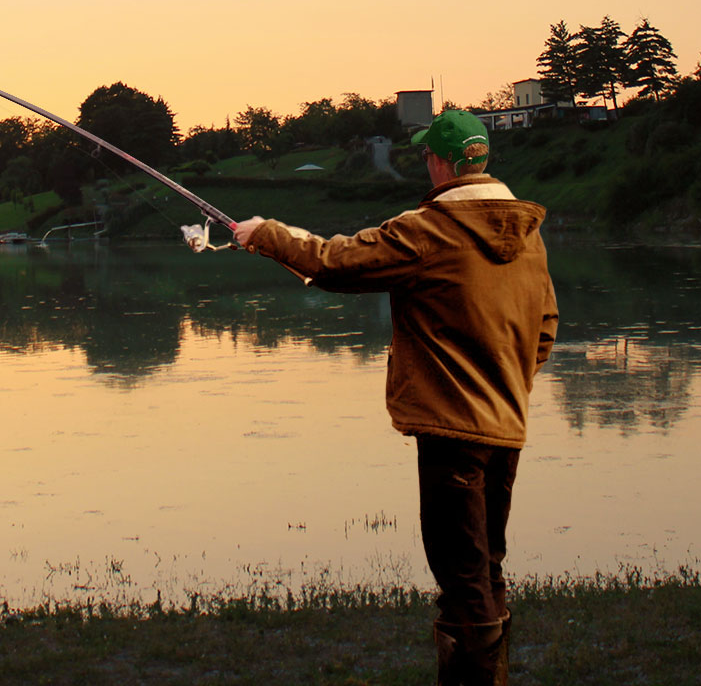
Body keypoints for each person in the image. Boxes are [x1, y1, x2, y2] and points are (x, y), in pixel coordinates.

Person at [231, 109, 558, 686]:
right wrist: (507, 383)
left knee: (462, 578)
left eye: (427, 155)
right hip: (507, 426)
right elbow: (546, 327)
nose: (425, 163)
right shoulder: (526, 235)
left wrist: (265, 235)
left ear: (440, 162)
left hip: (452, 431)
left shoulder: (428, 230)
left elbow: (336, 264)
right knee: (486, 568)